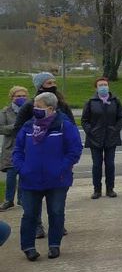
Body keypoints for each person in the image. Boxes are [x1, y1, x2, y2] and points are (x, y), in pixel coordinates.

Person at [13, 92, 83, 260]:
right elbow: (18, 150)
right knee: (29, 214)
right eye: (34, 106)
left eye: (39, 107)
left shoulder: (64, 126)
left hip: (57, 180)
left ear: (51, 109)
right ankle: (28, 247)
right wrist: (22, 169)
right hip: (30, 179)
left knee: (56, 213)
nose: (35, 109)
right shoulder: (28, 126)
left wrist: (61, 168)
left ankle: (54, 245)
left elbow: (74, 150)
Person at [13, 72, 74, 237]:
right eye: (49, 83)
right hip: (33, 159)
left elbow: (71, 128)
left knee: (57, 198)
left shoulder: (62, 105)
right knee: (33, 198)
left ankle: (57, 225)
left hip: (56, 158)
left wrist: (67, 160)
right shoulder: (30, 106)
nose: (53, 85)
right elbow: (18, 129)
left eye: (54, 82)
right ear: (40, 86)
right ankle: (37, 225)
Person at [81, 77, 122, 199]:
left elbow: (121, 117)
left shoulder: (115, 101)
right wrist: (90, 131)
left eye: (105, 84)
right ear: (96, 88)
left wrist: (115, 129)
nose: (103, 87)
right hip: (95, 138)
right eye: (101, 85)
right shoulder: (90, 102)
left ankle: (110, 189)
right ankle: (97, 190)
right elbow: (84, 120)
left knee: (110, 164)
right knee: (96, 165)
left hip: (111, 138)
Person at [0, 86, 29, 211]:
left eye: (23, 96)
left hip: (27, 147)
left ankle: (22, 199)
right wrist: (16, 125)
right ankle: (8, 200)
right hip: (11, 147)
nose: (21, 98)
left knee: (24, 174)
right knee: (11, 175)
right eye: (18, 96)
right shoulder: (5, 112)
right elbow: (1, 128)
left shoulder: (30, 110)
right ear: (12, 97)